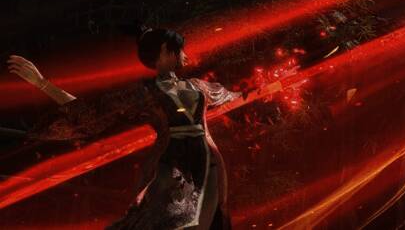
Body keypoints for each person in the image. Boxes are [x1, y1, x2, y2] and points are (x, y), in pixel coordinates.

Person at [6, 26, 262, 229]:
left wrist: (264, 85)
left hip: (209, 164)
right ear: (166, 51)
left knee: (209, 220)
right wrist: (42, 83)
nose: (185, 54)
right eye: (180, 49)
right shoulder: (144, 93)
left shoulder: (198, 86)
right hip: (171, 168)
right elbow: (90, 112)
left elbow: (236, 95)